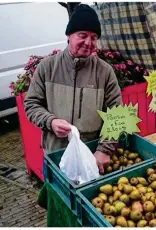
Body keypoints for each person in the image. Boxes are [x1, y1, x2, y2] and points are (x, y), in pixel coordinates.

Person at [24, 4, 122, 174]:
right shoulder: (47, 67)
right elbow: (31, 104)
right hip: (56, 154)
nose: (88, 42)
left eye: (93, 37)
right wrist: (51, 121)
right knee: (57, 198)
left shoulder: (104, 72)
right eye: (82, 35)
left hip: (91, 156)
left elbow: (116, 114)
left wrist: (105, 149)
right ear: (69, 35)